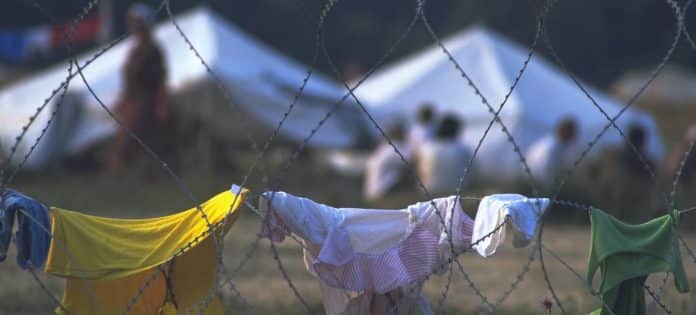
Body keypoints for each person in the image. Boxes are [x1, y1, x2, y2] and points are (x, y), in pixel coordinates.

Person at [105, 3, 171, 173]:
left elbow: (160, 80)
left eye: (138, 22)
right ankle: (119, 176)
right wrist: (122, 100)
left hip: (145, 103)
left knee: (130, 141)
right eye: (133, 22)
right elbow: (128, 80)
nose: (135, 26)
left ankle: (122, 174)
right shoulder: (134, 50)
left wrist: (161, 105)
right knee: (123, 141)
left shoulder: (153, 50)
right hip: (131, 103)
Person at [416, 115, 472, 196]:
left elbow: (420, 173)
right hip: (458, 190)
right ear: (455, 130)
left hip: (430, 190)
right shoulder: (462, 149)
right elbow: (472, 173)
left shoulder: (425, 148)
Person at [363, 122, 410, 200]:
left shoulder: (383, 147)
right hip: (381, 190)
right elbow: (409, 159)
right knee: (401, 173)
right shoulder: (393, 148)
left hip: (371, 191)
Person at [526, 117, 579, 187]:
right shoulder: (552, 148)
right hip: (534, 184)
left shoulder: (551, 142)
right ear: (565, 131)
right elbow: (546, 172)